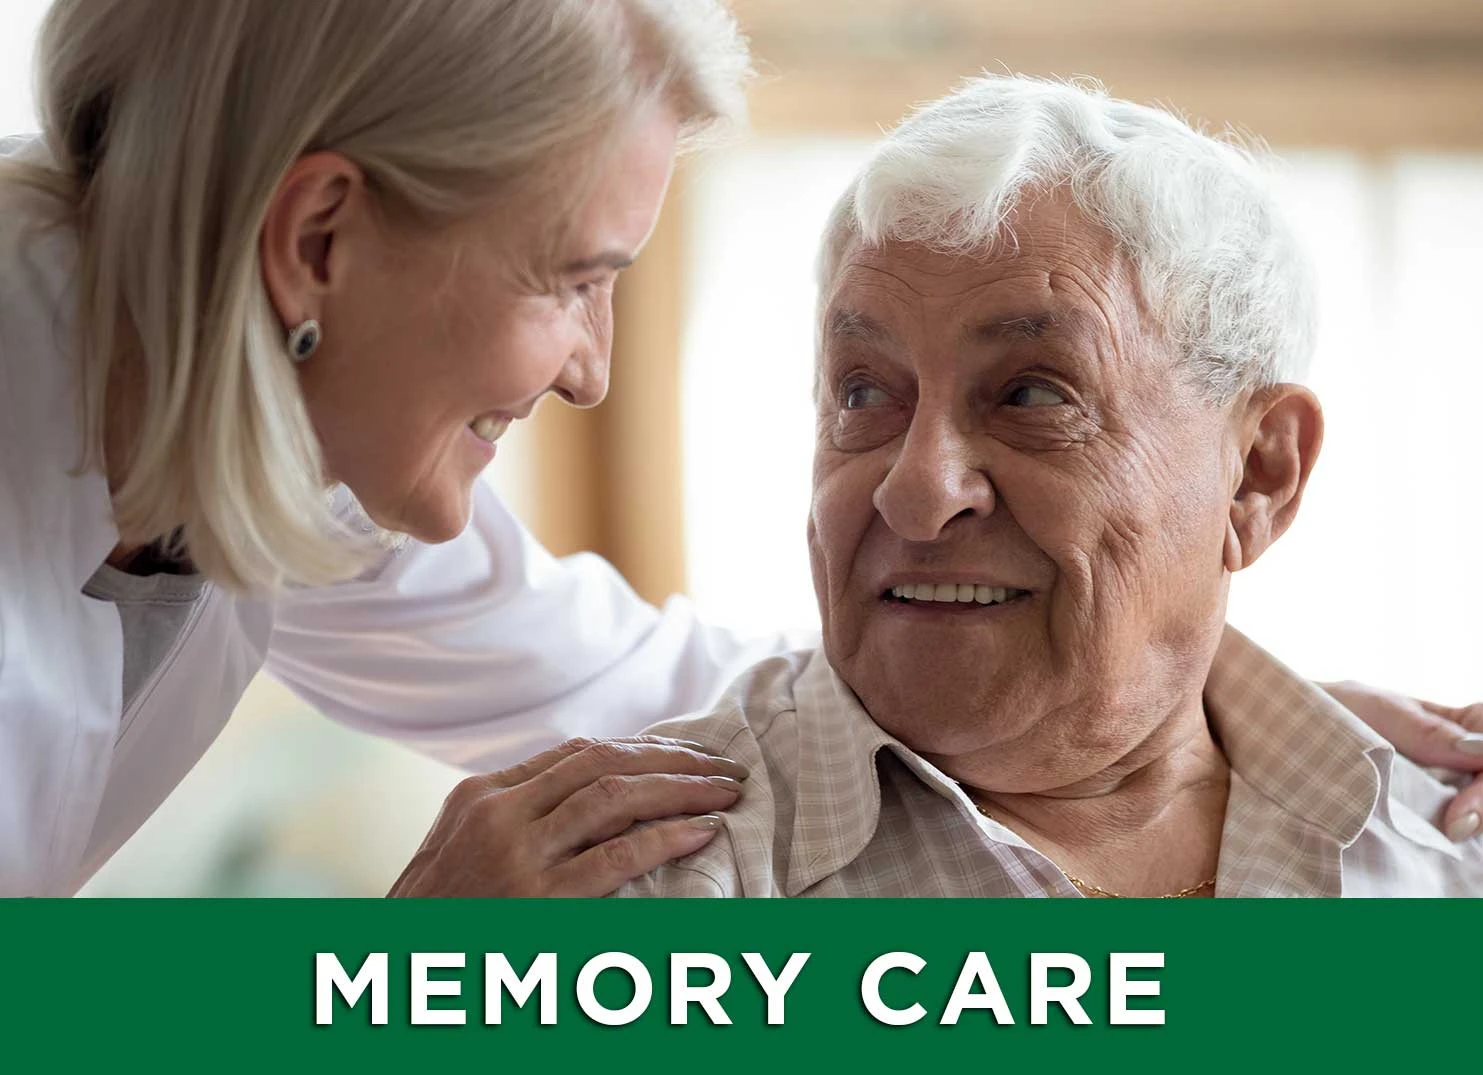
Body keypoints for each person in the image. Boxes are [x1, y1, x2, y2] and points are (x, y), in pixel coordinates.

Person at [0, 1, 1474, 899]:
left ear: (1260, 471)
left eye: (1029, 392)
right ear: (315, 243)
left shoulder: (281, 445)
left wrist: (1199, 690)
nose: (589, 371)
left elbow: (630, 673)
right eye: (570, 278)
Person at [614, 75, 1483, 897]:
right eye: (863, 392)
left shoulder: (1443, 840)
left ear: (1257, 474)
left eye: (1031, 393)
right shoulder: (639, 892)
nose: (915, 494)